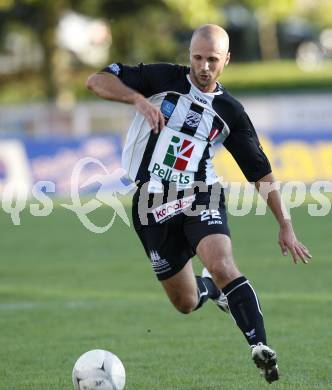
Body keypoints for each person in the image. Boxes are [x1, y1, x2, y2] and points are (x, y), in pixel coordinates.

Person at [86, 24, 312, 383]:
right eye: (197, 57)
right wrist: (137, 99)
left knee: (223, 264)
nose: (203, 66)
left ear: (226, 60)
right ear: (188, 54)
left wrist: (285, 224)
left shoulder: (229, 112)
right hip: (150, 204)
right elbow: (96, 81)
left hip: (199, 194)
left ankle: (260, 347)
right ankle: (212, 290)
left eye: (212, 60)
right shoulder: (160, 78)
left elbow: (260, 171)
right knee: (186, 302)